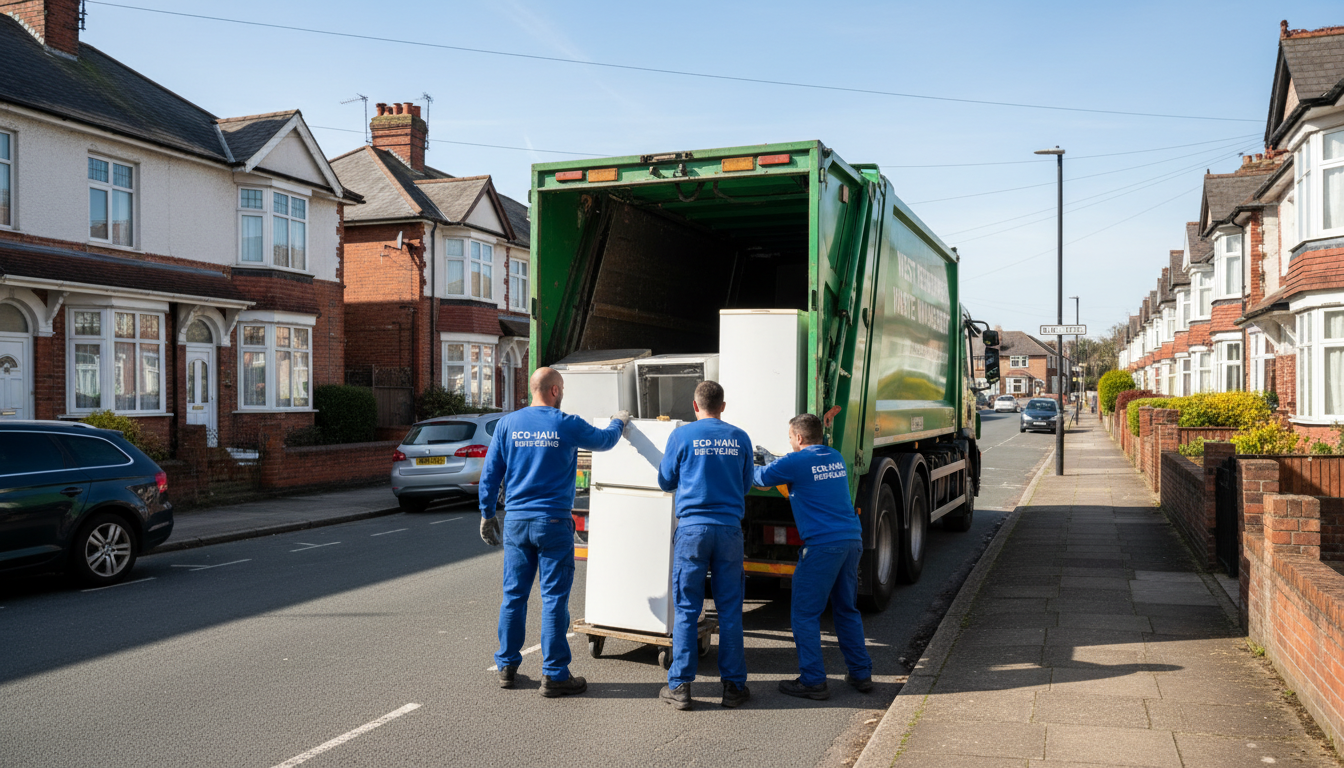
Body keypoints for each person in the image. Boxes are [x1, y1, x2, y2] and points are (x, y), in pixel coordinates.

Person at [478, 367, 630, 697]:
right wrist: (620, 421)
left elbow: (490, 474)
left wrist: (488, 514)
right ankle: (555, 674)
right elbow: (605, 441)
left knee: (514, 595)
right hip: (553, 522)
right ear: (556, 391)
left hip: (517, 522)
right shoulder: (566, 423)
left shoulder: (507, 425)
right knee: (553, 598)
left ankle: (507, 665)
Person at [753, 413, 872, 700]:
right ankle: (861, 673)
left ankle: (813, 681)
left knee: (805, 614)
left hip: (822, 547)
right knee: (846, 610)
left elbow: (760, 480)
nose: (790, 442)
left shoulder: (795, 462)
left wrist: (754, 460)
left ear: (799, 438)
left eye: (790, 437)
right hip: (851, 541)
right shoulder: (835, 457)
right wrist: (775, 459)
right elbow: (804, 473)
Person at [655, 380, 754, 710]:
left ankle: (681, 687)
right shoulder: (739, 437)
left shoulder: (681, 435)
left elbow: (665, 480)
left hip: (692, 531)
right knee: (730, 612)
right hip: (728, 531)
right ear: (723, 406)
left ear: (695, 406)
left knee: (686, 611)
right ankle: (734, 688)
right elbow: (746, 485)